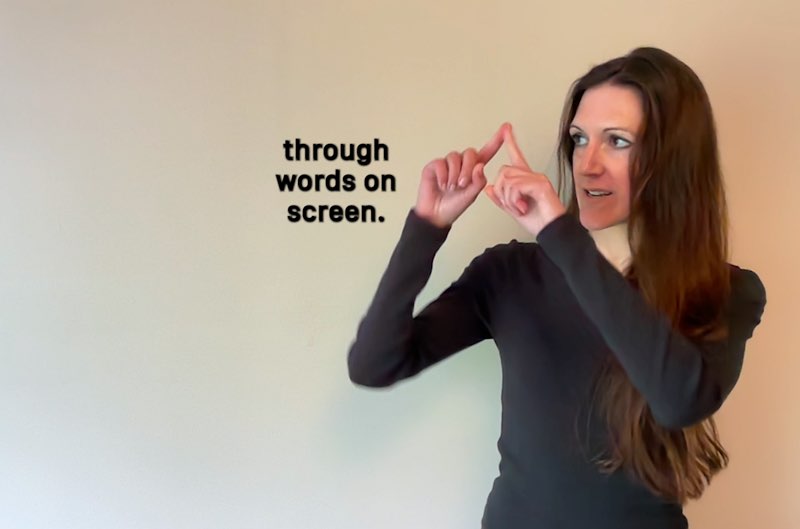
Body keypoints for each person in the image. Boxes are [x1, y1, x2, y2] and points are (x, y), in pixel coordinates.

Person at [346, 46, 767, 529]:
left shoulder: (727, 290)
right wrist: (426, 226)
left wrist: (558, 233)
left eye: (618, 141)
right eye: (579, 138)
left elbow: (679, 401)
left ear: (672, 159)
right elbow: (373, 364)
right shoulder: (509, 274)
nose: (587, 164)